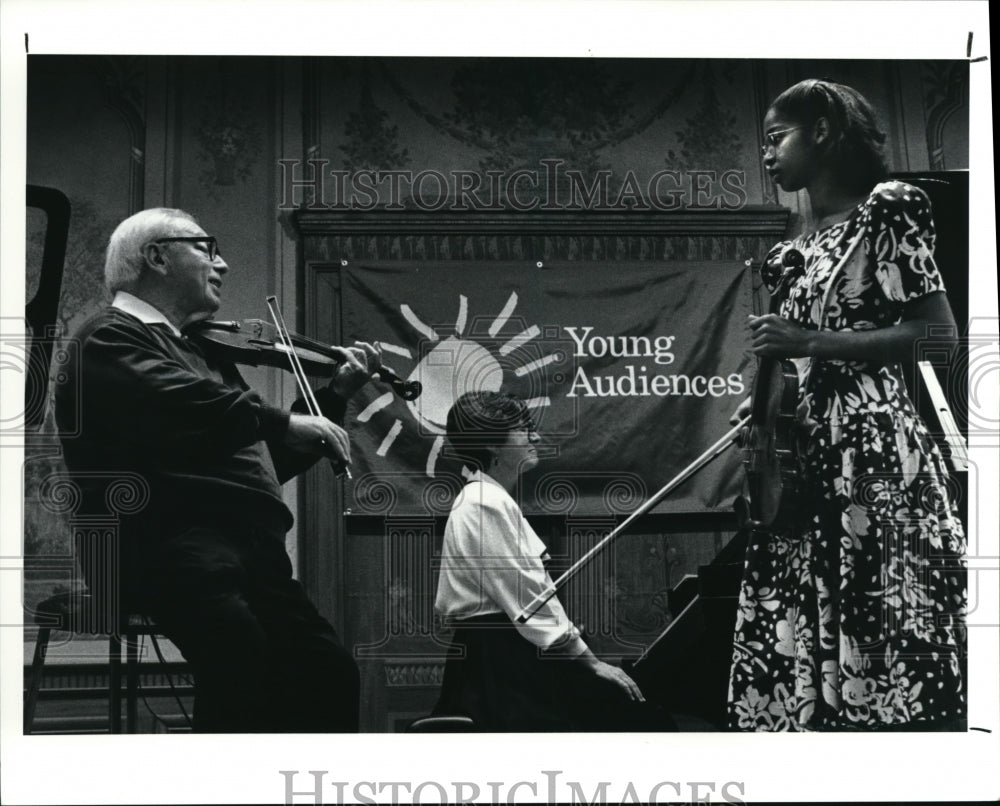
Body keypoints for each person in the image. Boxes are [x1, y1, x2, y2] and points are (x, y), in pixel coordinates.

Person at [55, 208, 380, 732]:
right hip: (168, 545)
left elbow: (259, 466)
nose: (222, 264)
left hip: (245, 553)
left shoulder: (198, 351)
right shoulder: (109, 337)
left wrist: (331, 398)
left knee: (328, 671)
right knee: (242, 663)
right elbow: (184, 403)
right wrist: (281, 421)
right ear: (157, 256)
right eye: (207, 248)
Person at [727, 79, 967, 731]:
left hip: (872, 446)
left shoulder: (888, 210)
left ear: (825, 131)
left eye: (778, 138)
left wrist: (812, 339)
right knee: (797, 606)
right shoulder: (786, 252)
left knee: (873, 602)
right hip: (801, 457)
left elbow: (940, 334)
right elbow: (796, 367)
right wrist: (763, 410)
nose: (768, 155)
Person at [432, 390, 674, 731]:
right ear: (492, 445)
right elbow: (529, 602)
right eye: (522, 429)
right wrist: (590, 663)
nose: (535, 436)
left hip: (504, 656)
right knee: (639, 720)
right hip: (500, 668)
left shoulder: (486, 497)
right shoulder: (484, 501)